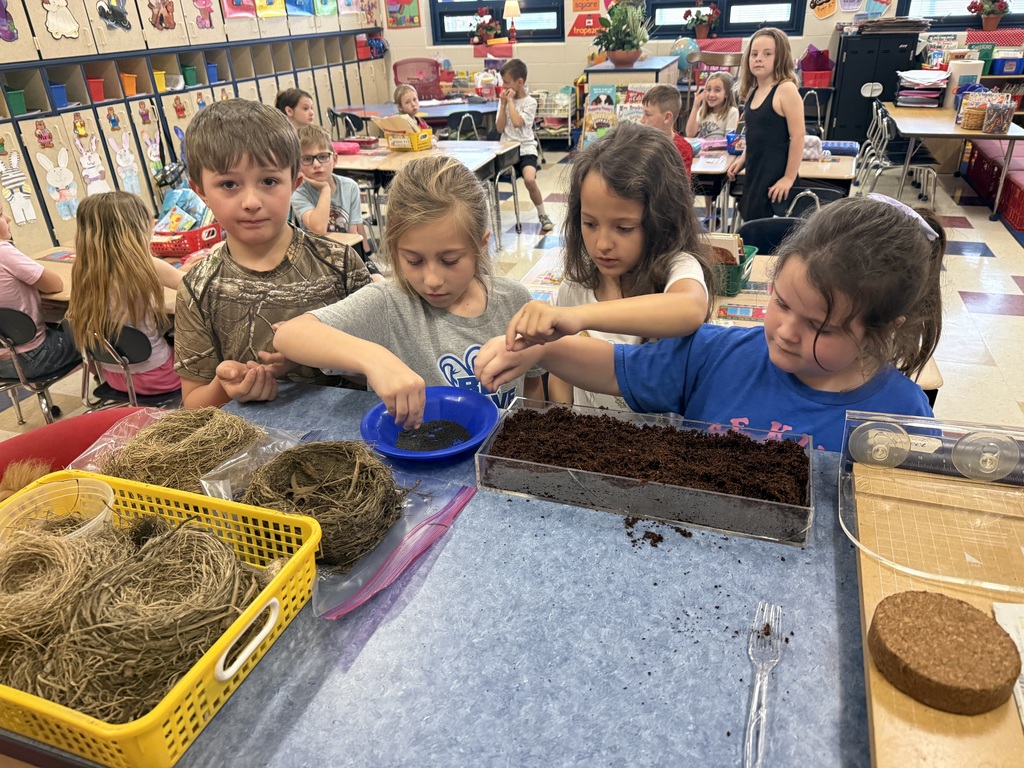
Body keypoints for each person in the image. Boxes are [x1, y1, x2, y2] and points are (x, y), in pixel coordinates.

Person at [476, 195, 945, 453]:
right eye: (781, 303)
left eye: (820, 326)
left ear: (882, 329)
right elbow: (617, 365)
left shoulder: (898, 417)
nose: (785, 330)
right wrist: (540, 351)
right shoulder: (716, 355)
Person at [274, 155, 544, 429]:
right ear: (394, 249)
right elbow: (290, 335)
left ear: (481, 245)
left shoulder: (515, 301)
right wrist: (373, 359)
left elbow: (532, 387)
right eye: (413, 261)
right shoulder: (389, 303)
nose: (432, 280)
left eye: (450, 260)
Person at [502, 122, 714, 411]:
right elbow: (564, 375)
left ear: (662, 222)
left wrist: (579, 317)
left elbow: (689, 309)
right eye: (589, 223)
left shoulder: (677, 268)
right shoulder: (577, 286)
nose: (602, 243)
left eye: (624, 228)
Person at [174, 99, 371, 409]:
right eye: (228, 184)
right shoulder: (198, 288)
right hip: (251, 446)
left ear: (294, 183)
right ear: (200, 192)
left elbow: (382, 365)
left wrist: (314, 354)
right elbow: (194, 403)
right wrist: (227, 385)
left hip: (350, 439)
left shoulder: (339, 264)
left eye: (268, 181)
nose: (251, 201)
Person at [67, 192, 182, 397]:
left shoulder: (82, 270)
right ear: (136, 228)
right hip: (159, 375)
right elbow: (196, 286)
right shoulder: (145, 265)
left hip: (116, 375)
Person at [726, 28, 805, 222]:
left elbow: (798, 137)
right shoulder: (753, 90)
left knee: (768, 232)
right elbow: (755, 134)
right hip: (755, 172)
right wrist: (742, 160)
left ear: (781, 57)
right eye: (754, 54)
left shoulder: (785, 89)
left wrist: (788, 178)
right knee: (751, 222)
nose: (758, 58)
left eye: (767, 54)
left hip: (775, 175)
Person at [290, 124, 380, 277]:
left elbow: (353, 232)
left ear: (335, 159)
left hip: (347, 254)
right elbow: (319, 229)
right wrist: (325, 189)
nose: (317, 164)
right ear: (298, 165)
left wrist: (362, 263)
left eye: (323, 156)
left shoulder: (349, 187)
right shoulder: (298, 193)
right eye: (307, 159)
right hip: (316, 260)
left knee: (378, 282)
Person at [0, 213, 81, 381]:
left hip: (4, 361)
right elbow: (55, 285)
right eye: (0, 214)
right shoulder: (4, 252)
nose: (8, 218)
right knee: (93, 339)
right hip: (30, 358)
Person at [496, 59, 552, 233]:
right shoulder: (503, 100)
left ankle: (542, 214)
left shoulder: (530, 102)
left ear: (519, 82)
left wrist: (510, 103)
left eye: (506, 82)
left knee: (529, 179)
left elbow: (518, 122)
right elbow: (499, 128)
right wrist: (504, 104)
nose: (503, 86)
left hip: (526, 148)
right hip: (507, 149)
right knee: (490, 179)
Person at [639, 85, 693, 176]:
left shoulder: (683, 149)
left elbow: (679, 187)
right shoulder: (639, 143)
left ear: (667, 117)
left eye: (648, 114)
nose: (642, 120)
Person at [684, 71, 740, 139]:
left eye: (717, 90)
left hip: (719, 149)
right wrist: (695, 107)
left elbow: (728, 141)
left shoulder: (732, 112)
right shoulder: (703, 110)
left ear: (727, 94)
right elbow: (690, 134)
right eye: (708, 89)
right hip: (701, 148)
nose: (711, 94)